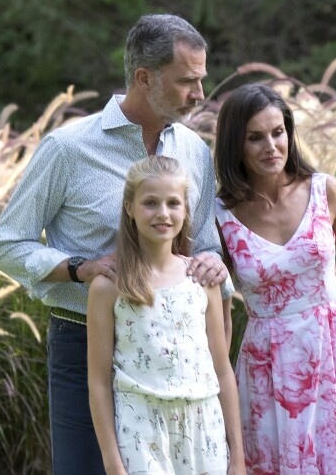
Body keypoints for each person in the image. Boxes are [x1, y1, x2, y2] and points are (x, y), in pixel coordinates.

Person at [0, 14, 233, 474]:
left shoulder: (194, 151)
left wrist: (212, 266)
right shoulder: (67, 147)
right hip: (83, 340)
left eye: (201, 80)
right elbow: (6, 242)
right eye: (187, 81)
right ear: (143, 78)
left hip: (176, 351)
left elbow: (205, 246)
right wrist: (77, 268)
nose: (199, 95)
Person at [214, 83, 336, 473]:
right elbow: (211, 303)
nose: (271, 146)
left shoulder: (324, 190)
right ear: (236, 144)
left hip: (332, 346)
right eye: (255, 138)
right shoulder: (220, 216)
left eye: (278, 132)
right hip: (266, 362)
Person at [87, 155, 245, 474]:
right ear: (129, 207)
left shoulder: (201, 279)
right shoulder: (110, 286)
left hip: (205, 427)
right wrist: (112, 462)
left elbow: (222, 370)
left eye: (173, 203)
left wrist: (237, 457)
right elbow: (99, 382)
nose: (163, 213)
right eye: (150, 203)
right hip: (141, 429)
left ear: (186, 209)